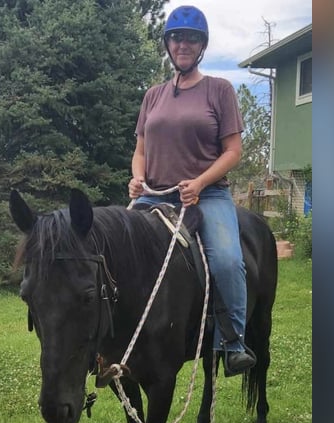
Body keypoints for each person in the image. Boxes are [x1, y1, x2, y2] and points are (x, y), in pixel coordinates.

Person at [128, 5, 255, 375]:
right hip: (153, 194)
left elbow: (233, 151)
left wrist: (200, 182)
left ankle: (233, 343)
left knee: (229, 261)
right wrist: (137, 178)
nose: (183, 44)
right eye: (177, 37)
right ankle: (114, 339)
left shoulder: (220, 89)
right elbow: (140, 151)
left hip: (207, 195)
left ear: (202, 46)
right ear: (167, 43)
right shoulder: (153, 95)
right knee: (113, 252)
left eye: (192, 38)